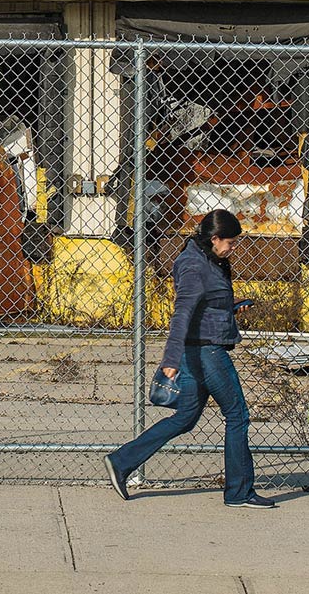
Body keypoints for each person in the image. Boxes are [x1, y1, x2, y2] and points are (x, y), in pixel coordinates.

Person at [105, 208, 274, 508]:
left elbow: (205, 306)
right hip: (206, 351)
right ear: (214, 238)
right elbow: (182, 314)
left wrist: (232, 307)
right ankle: (239, 492)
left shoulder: (207, 259)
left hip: (202, 347)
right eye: (231, 242)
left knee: (184, 418)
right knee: (237, 416)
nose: (233, 248)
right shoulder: (194, 265)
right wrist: (170, 360)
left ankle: (121, 461)